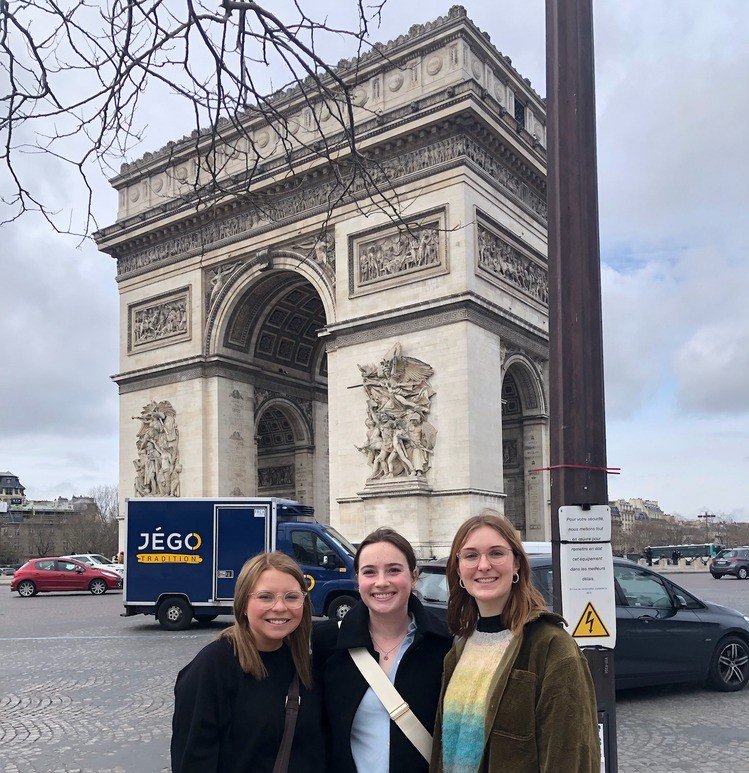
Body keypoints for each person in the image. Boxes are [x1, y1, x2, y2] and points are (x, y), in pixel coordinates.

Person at [430, 509, 600, 773]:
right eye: (471, 555)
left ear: (517, 563)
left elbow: (572, 756)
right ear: (458, 568)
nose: (483, 565)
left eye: (496, 553)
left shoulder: (552, 647)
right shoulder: (459, 648)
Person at [171, 551, 326, 773]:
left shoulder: (305, 664)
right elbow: (192, 761)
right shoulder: (212, 668)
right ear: (243, 604)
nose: (280, 607)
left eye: (291, 596)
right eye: (265, 597)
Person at [313, 527, 452, 773]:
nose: (381, 582)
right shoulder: (326, 641)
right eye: (369, 572)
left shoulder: (445, 645)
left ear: (414, 576)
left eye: (394, 570)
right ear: (358, 581)